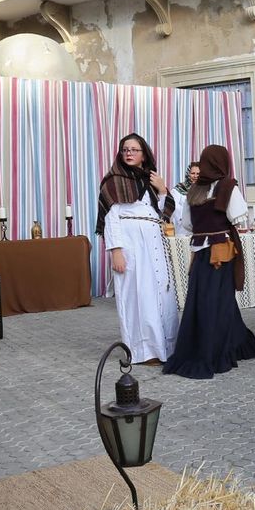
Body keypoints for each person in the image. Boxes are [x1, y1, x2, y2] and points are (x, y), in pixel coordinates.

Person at [165, 144, 255, 378]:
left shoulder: (194, 191)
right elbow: (238, 216)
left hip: (200, 253)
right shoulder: (227, 186)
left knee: (201, 300)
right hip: (220, 253)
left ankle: (235, 342)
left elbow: (187, 224)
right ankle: (215, 350)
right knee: (219, 300)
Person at [96, 133, 178, 364]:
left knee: (162, 294)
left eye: (134, 150)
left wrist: (162, 190)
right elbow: (111, 218)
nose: (129, 153)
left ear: (144, 154)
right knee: (139, 296)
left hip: (154, 242)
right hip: (131, 245)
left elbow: (167, 214)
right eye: (125, 150)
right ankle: (144, 351)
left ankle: (166, 348)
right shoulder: (113, 181)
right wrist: (116, 251)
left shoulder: (151, 180)